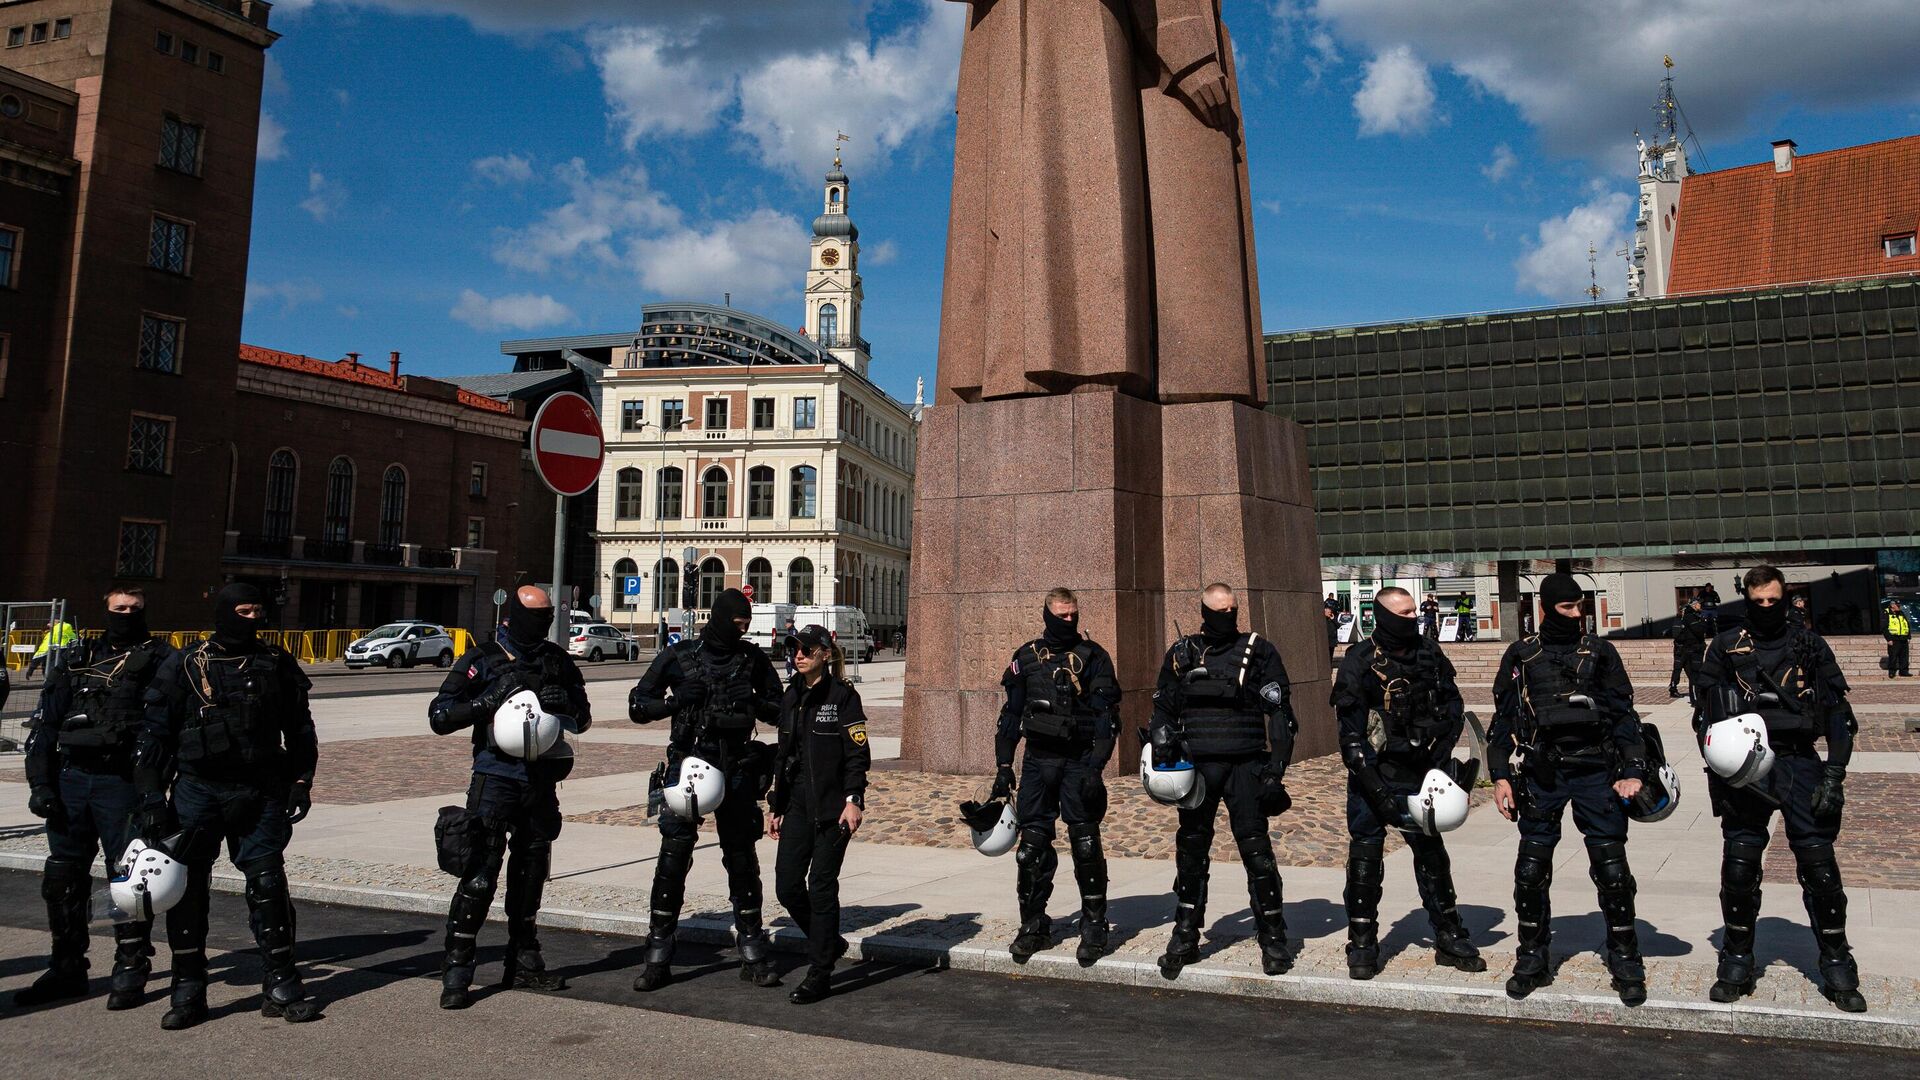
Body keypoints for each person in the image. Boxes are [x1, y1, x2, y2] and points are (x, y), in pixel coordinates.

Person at [137, 583, 319, 1029]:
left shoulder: (276, 662)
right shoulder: (184, 663)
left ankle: (280, 983)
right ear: (224, 612)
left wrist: (300, 780)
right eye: (243, 610)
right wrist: (149, 797)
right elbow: (155, 734)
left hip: (260, 791)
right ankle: (188, 989)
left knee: (269, 884)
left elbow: (299, 728)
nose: (253, 618)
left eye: (259, 610)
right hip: (198, 790)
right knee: (187, 890)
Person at [1695, 566, 1864, 1012]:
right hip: (1746, 768)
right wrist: (1719, 765)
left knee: (1820, 867)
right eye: (1758, 602)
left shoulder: (1808, 644)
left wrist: (1835, 773)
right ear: (1746, 599)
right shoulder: (1726, 646)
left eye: (1774, 600)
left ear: (1786, 597)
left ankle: (1836, 962)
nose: (1767, 608)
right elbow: (1705, 714)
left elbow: (1837, 714)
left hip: (1799, 761)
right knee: (1739, 867)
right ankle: (1735, 959)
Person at [428, 585, 591, 1009]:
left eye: (548, 614)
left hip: (541, 780)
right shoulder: (483, 659)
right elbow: (440, 716)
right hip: (495, 778)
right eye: (535, 614)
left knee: (531, 871)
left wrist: (566, 706)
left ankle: (523, 959)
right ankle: (458, 968)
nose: (542, 622)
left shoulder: (556, 660)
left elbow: (584, 718)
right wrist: (485, 703)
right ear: (514, 615)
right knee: (480, 874)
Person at [1489, 574, 1649, 1005]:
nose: (1578, 615)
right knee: (1531, 870)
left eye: (1582, 606)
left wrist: (1633, 769)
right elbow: (1502, 720)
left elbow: (1624, 715)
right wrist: (1500, 774)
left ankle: (1625, 956)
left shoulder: (1600, 652)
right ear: (1546, 608)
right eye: (1568, 608)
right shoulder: (1522, 655)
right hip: (1544, 773)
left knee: (1613, 872)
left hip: (1597, 771)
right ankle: (1532, 956)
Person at [17, 586, 175, 1009]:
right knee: (63, 877)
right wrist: (41, 784)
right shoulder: (77, 658)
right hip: (71, 779)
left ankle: (131, 964)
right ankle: (66, 966)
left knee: (128, 880)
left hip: (122, 781)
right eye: (119, 608)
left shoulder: (161, 659)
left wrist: (153, 790)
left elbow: (164, 730)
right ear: (104, 609)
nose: (126, 614)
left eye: (134, 609)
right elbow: (45, 726)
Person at [628, 588, 784, 992]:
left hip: (736, 765)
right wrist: (675, 701)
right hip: (688, 764)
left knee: (741, 857)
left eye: (747, 623)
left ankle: (751, 945)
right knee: (674, 856)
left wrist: (754, 704)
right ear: (718, 618)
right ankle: (658, 950)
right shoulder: (680, 657)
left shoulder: (752, 659)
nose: (743, 628)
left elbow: (780, 709)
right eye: (737, 622)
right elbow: (638, 705)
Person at [1149, 583, 1297, 979]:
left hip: (1245, 766)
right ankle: (1185, 932)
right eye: (1220, 610)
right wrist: (1160, 736)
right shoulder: (1182, 654)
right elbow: (1163, 704)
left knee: (1257, 852)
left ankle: (1272, 934)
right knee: (1191, 852)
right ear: (1204, 611)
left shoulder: (1258, 650)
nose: (1227, 616)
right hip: (1197, 769)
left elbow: (1280, 712)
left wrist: (1275, 770)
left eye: (1233, 609)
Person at [1333, 587, 1480, 981]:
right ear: (1381, 616)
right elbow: (1350, 735)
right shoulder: (1360, 661)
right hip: (1374, 776)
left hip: (1422, 775)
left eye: (1414, 610)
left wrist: (1441, 752)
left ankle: (1449, 934)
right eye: (1403, 612)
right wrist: (1376, 789)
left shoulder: (1430, 654)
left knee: (1432, 857)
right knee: (1365, 860)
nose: (1412, 617)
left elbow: (1453, 706)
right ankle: (1362, 941)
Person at [990, 589, 1122, 964]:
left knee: (1085, 842)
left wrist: (1097, 768)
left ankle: (1094, 924)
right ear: (1047, 615)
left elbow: (1107, 720)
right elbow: (1011, 717)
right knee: (1030, 848)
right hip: (1038, 762)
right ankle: (1033, 925)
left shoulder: (1095, 658)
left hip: (1079, 760)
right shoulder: (1027, 658)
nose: (1069, 621)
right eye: (1062, 616)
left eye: (1073, 615)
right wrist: (1003, 767)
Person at [769, 625, 871, 1004]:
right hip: (796, 806)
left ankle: (819, 972)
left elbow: (857, 754)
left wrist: (853, 799)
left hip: (833, 810)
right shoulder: (791, 695)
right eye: (794, 648)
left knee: (822, 888)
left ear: (825, 654)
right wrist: (776, 806)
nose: (798, 655)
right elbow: (783, 757)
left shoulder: (843, 697)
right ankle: (828, 942)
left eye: (807, 649)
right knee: (787, 886)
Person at [1669, 598, 1708, 699]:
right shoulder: (1680, 620)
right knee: (1678, 669)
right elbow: (1677, 635)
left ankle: (1694, 692)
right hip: (1680, 649)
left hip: (1686, 649)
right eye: (1682, 610)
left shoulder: (1688, 618)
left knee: (1691, 672)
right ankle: (1673, 688)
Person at [1883, 599, 1910, 679]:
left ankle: (1904, 671)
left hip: (1903, 638)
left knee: (1904, 656)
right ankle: (1892, 672)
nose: (1899, 607)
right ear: (1892, 605)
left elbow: (1906, 625)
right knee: (1893, 656)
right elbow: (1884, 628)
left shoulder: (1901, 613)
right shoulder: (1886, 613)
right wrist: (1888, 639)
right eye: (1897, 605)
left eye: (1899, 605)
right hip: (1893, 638)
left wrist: (1908, 637)